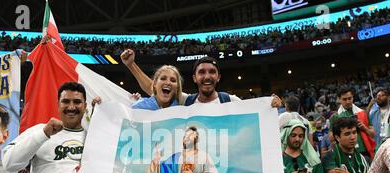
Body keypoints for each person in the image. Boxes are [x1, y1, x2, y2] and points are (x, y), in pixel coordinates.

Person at [120, 48, 282, 107]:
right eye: (202, 72)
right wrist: (131, 65)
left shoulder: (230, 101)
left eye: (212, 72)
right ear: (194, 78)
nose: (207, 76)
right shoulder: (187, 101)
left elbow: (256, 115)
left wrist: (270, 104)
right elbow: (154, 88)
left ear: (218, 77)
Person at [329, 86, 375, 160]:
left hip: (364, 152)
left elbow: (372, 134)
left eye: (350, 98)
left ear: (353, 97)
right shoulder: (335, 117)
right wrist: (343, 129)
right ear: (339, 99)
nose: (348, 101)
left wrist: (364, 128)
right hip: (346, 153)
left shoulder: (362, 113)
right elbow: (331, 138)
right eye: (344, 99)